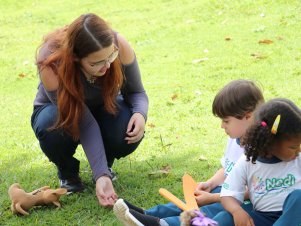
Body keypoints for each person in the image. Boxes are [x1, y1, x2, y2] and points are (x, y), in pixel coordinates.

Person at [31, 13, 148, 207]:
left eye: (111, 56)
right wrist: (100, 173)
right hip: (60, 111)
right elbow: (83, 121)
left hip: (103, 107)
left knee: (124, 124)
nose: (108, 65)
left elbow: (137, 92)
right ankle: (68, 172)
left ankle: (106, 165)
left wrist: (140, 114)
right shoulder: (50, 60)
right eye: (96, 63)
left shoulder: (118, 43)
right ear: (76, 58)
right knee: (50, 125)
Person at [113, 79, 264, 225]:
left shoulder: (261, 150)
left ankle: (164, 223)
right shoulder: (235, 137)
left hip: (243, 200)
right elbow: (227, 169)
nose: (222, 126)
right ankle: (148, 214)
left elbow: (252, 190)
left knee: (211, 211)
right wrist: (210, 183)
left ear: (248, 116)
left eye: (226, 121)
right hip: (227, 191)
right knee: (191, 200)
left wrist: (213, 197)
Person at [213, 98, 301, 226]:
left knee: (298, 198)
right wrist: (237, 211)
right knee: (224, 218)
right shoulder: (248, 161)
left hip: (294, 217)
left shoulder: (298, 159)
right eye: (293, 147)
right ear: (271, 143)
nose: (298, 150)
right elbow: (228, 195)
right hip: (263, 218)